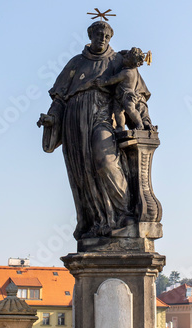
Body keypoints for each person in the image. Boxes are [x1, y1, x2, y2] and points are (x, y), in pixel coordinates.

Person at [37, 21, 133, 241]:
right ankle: (96, 221)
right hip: (74, 123)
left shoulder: (118, 61)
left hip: (103, 118)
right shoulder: (76, 63)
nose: (103, 39)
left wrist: (142, 119)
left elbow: (134, 92)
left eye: (107, 36)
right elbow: (59, 98)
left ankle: (123, 213)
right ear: (90, 35)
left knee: (106, 162)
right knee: (83, 173)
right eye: (99, 34)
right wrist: (52, 118)